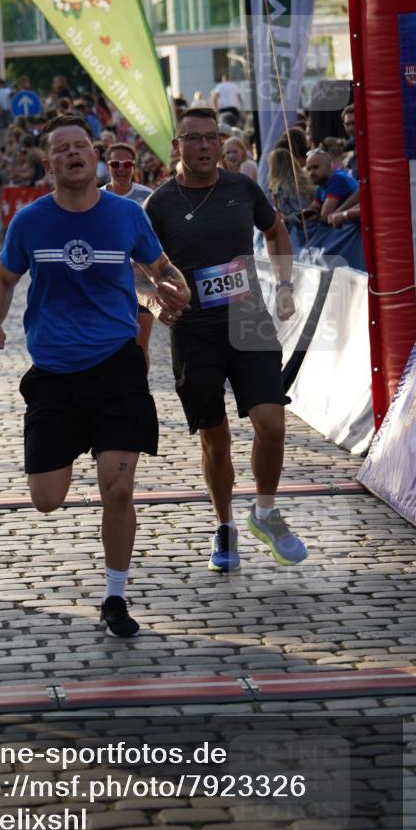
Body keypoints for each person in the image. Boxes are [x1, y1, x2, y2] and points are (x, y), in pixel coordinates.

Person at [0, 114, 190, 637]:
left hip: (116, 365)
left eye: (81, 147)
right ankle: (70, 452)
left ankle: (114, 597)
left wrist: (176, 286)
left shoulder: (125, 215)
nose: (74, 154)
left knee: (118, 489)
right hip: (53, 372)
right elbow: (3, 279)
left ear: (94, 158)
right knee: (47, 499)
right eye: (62, 149)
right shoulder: (29, 221)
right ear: (49, 163)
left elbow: (160, 268)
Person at [143, 107, 307, 574]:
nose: (205, 147)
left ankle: (266, 512)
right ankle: (225, 525)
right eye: (194, 139)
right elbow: (135, 270)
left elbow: (275, 230)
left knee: (272, 423)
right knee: (215, 439)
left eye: (212, 138)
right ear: (177, 147)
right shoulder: (159, 204)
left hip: (249, 319)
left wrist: (286, 284)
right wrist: (156, 304)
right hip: (196, 331)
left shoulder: (241, 188)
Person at [102, 142, 155, 368]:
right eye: (115, 164)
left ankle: (139, 392)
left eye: (127, 164)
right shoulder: (96, 196)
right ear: (107, 166)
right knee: (112, 341)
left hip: (141, 277)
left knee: (139, 343)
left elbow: (155, 237)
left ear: (134, 166)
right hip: (108, 278)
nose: (121, 169)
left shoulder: (148, 196)